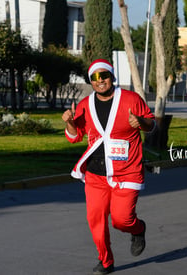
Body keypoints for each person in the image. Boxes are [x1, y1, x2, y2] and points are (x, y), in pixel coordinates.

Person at [62, 59, 155, 274]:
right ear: (91, 81)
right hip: (96, 174)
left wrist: (140, 122)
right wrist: (69, 122)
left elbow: (151, 125)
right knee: (96, 221)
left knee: (122, 220)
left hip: (127, 172)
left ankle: (138, 229)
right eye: (95, 77)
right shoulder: (85, 105)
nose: (100, 80)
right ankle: (105, 261)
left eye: (104, 75)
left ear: (112, 77)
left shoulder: (131, 99)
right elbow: (74, 137)